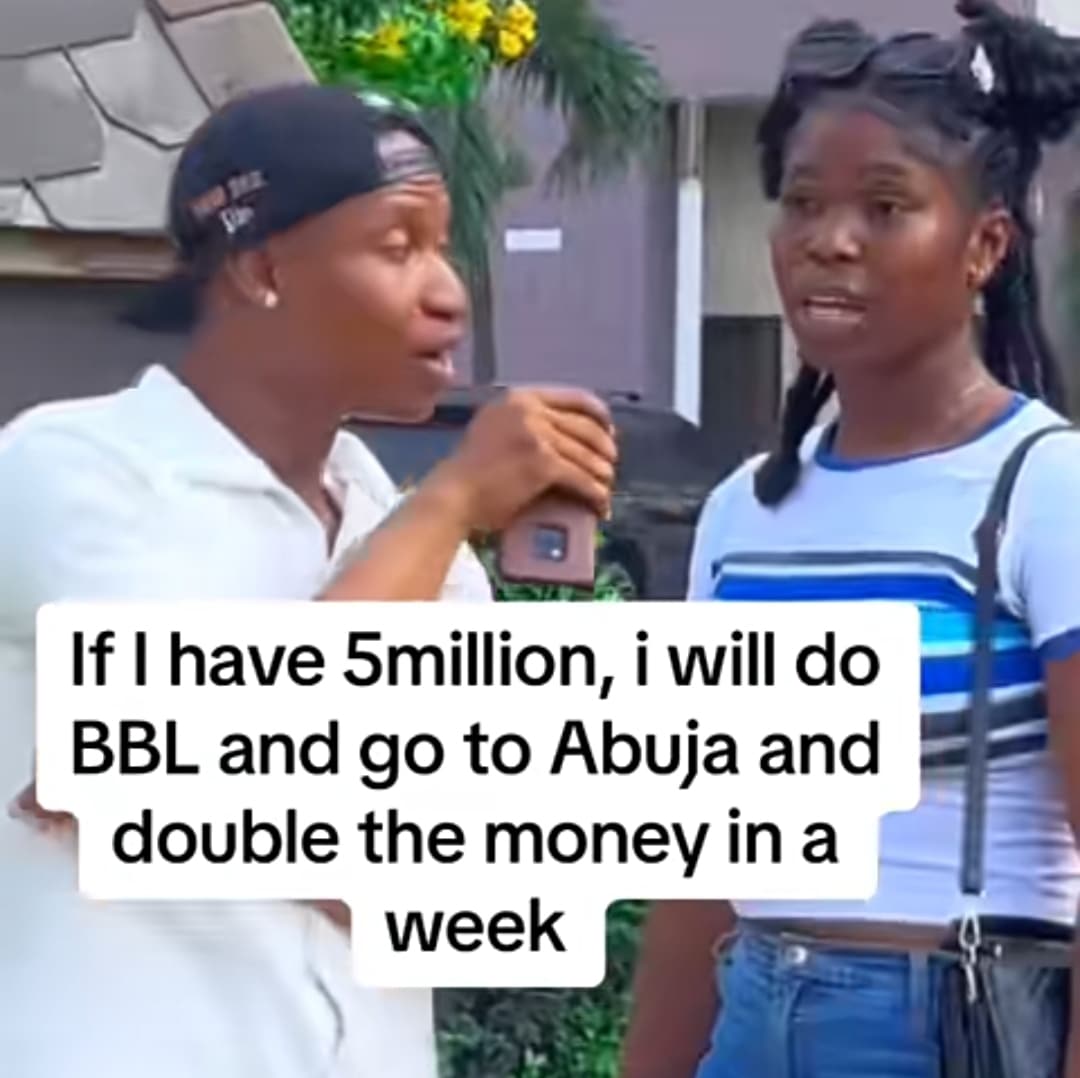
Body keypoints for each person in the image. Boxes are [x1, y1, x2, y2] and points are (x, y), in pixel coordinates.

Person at [0, 84, 616, 1077]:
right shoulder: (74, 469)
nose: (449, 292)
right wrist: (453, 500)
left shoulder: (399, 531)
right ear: (261, 267)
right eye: (397, 246)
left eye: (444, 247)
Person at [621, 2, 1080, 1075]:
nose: (830, 239)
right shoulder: (742, 512)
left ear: (985, 245)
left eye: (886, 206)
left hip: (946, 1025)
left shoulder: (1045, 489)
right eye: (802, 203)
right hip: (751, 1014)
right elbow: (705, 857)